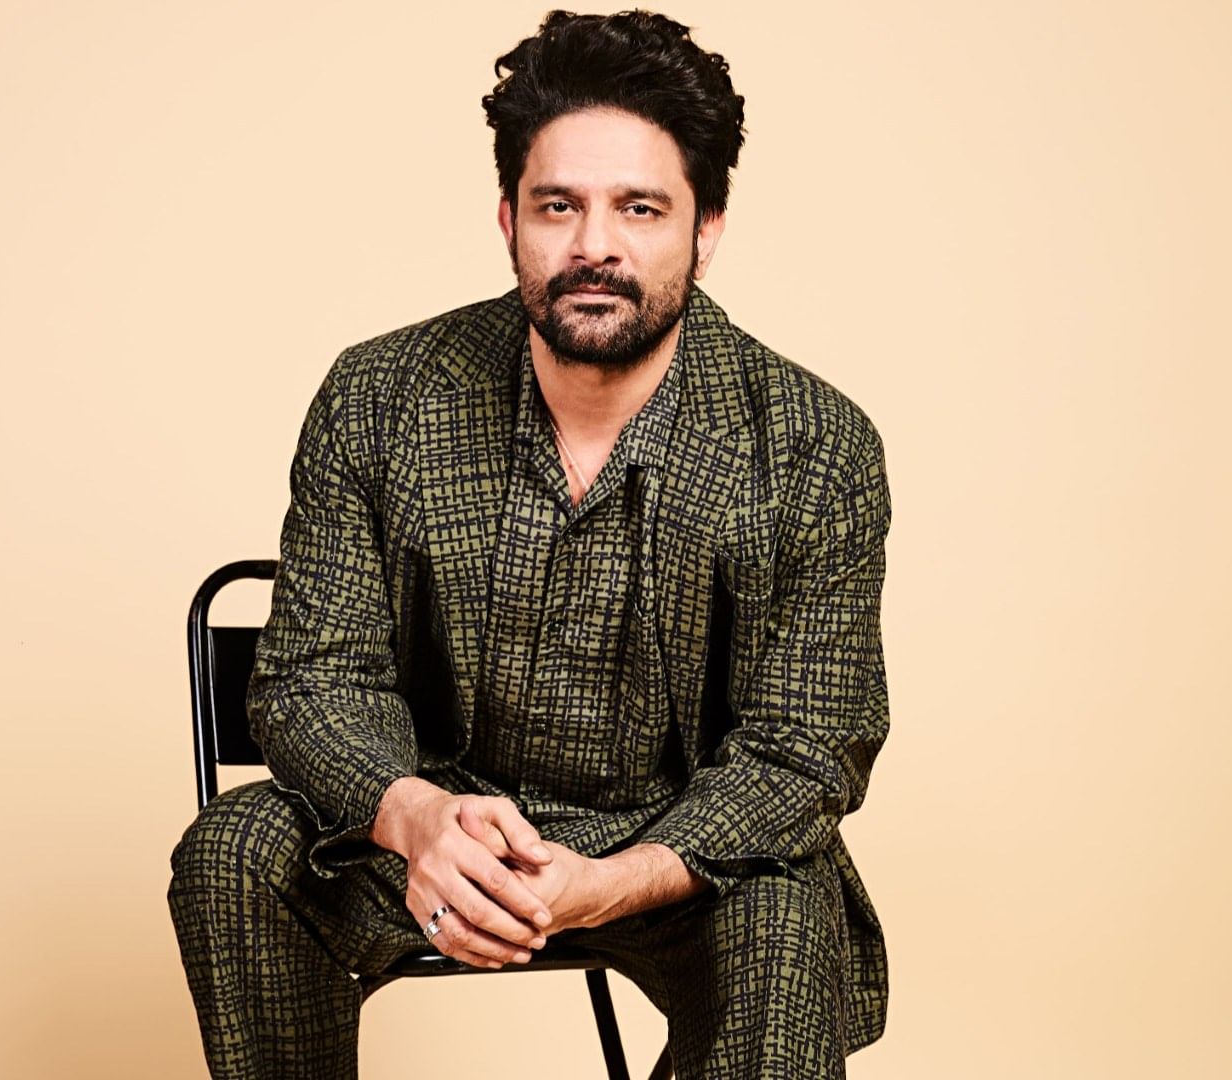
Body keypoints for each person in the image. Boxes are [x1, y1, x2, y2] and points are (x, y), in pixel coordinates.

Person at [168, 10, 893, 1078]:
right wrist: (418, 819)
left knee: (787, 915)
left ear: (706, 228)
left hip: (678, 850)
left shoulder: (814, 444)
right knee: (234, 853)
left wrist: (614, 879)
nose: (595, 245)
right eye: (560, 205)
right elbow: (312, 678)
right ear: (509, 220)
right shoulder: (379, 397)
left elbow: (807, 744)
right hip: (432, 819)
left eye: (640, 207)